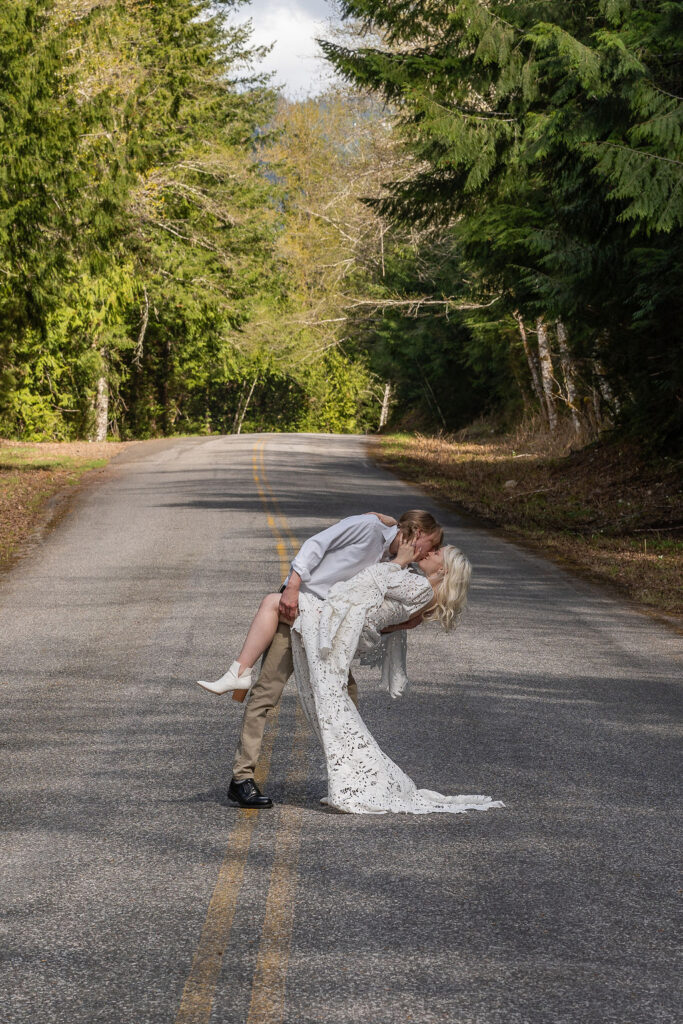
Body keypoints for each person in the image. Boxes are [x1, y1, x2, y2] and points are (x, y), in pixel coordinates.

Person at [200, 535, 503, 815]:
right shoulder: (420, 593)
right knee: (273, 694)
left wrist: (397, 560)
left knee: (274, 620)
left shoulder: (418, 588)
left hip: (321, 630)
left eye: (438, 553)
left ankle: (239, 673)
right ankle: (243, 777)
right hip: (320, 631)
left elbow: (367, 583)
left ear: (445, 570)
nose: (431, 550)